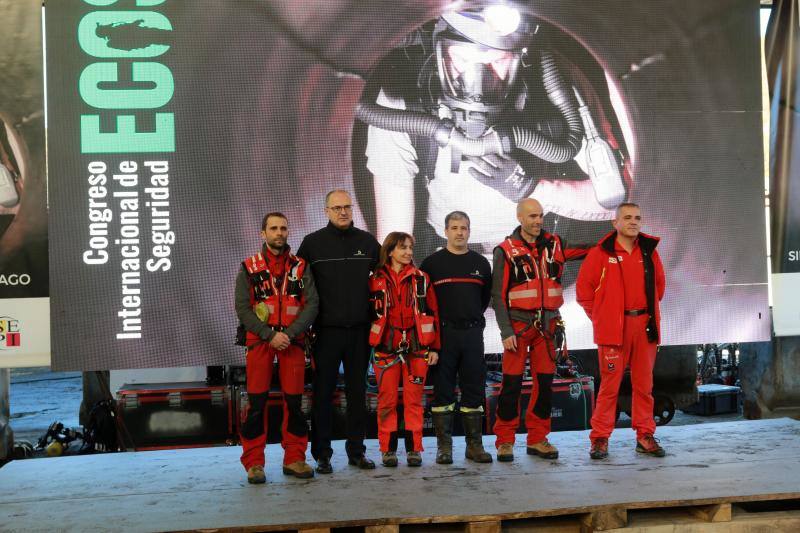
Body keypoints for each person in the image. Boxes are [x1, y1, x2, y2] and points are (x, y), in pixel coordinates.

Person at [359, 7, 630, 260]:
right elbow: (393, 237)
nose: (477, 82)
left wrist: (533, 189)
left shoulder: (558, 84)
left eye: (497, 61)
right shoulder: (402, 103)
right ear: (438, 47)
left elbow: (618, 200)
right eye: (462, 59)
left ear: (522, 54)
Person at [491, 198, 589, 462]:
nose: (537, 221)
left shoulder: (556, 244)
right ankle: (505, 441)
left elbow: (590, 251)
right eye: (532, 216)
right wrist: (505, 331)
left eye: (541, 216)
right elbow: (497, 296)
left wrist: (619, 240)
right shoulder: (505, 250)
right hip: (519, 328)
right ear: (520, 217)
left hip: (548, 328)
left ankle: (537, 439)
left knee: (544, 385)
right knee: (511, 385)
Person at [297, 189, 381, 473]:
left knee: (358, 395)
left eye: (347, 207)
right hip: (326, 334)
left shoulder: (368, 243)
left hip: (359, 333)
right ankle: (322, 455)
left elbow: (384, 284)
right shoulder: (312, 244)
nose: (343, 212)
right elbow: (297, 288)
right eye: (337, 208)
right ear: (326, 211)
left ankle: (357, 452)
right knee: (322, 395)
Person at [576, 202, 666, 459]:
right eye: (627, 217)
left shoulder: (649, 252)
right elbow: (584, 293)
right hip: (614, 330)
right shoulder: (600, 254)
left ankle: (645, 435)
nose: (633, 222)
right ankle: (600, 438)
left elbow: (659, 287)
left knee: (644, 386)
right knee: (609, 387)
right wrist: (604, 318)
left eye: (637, 217)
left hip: (644, 327)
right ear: (615, 223)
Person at [235, 212, 319, 484]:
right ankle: (254, 464)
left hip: (292, 342)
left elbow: (312, 305)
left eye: (283, 228)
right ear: (263, 234)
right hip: (260, 342)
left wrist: (290, 333)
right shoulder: (249, 266)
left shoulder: (300, 266)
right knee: (257, 404)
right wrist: (269, 335)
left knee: (294, 404)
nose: (279, 233)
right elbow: (242, 308)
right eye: (273, 228)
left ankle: (295, 458)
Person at [420, 211, 493, 464]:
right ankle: (444, 448)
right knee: (443, 392)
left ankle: (474, 447)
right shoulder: (431, 264)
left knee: (473, 389)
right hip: (443, 336)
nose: (459, 232)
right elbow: (425, 306)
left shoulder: (482, 264)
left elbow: (483, 301)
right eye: (454, 227)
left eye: (464, 227)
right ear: (445, 231)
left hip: (473, 334)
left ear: (469, 231)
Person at [369, 232, 440, 466]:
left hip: (417, 351)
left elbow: (434, 314)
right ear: (390, 251)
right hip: (385, 351)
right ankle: (387, 450)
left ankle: (414, 450)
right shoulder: (374, 280)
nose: (409, 252)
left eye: (410, 247)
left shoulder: (422, 278)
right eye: (402, 248)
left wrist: (434, 348)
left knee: (414, 401)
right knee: (387, 400)